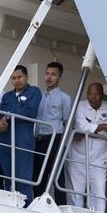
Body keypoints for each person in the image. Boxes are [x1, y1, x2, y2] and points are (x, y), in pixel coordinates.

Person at [65, 82, 107, 213]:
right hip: (77, 156)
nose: (93, 97)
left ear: (102, 95)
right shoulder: (80, 106)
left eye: (97, 93)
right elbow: (81, 126)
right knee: (76, 192)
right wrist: (101, 126)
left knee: (99, 191)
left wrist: (86, 133)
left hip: (99, 158)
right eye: (90, 93)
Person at [0, 65, 42, 204]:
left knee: (22, 179)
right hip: (5, 140)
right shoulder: (7, 96)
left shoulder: (34, 91)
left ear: (26, 77)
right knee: (8, 178)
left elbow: (30, 112)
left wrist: (7, 117)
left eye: (19, 77)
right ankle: (10, 207)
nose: (17, 80)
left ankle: (26, 209)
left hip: (23, 141)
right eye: (13, 78)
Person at [33, 62, 71, 203]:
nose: (49, 77)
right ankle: (38, 204)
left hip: (55, 139)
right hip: (38, 140)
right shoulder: (39, 96)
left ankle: (61, 206)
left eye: (53, 74)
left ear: (59, 77)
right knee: (38, 175)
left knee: (57, 176)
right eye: (47, 73)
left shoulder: (64, 98)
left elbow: (67, 122)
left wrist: (63, 145)